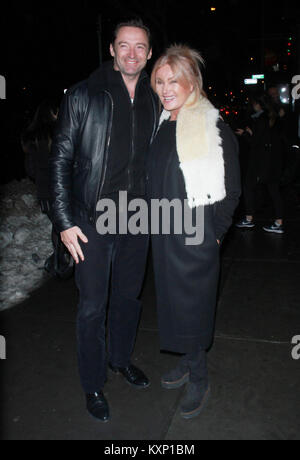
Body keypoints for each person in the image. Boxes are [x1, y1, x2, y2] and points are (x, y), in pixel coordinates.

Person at [50, 19, 159, 422]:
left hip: (138, 217)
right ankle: (93, 383)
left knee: (128, 299)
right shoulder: (84, 94)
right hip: (91, 221)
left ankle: (119, 359)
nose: (132, 53)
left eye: (140, 47)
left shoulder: (155, 97)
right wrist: (63, 221)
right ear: (112, 49)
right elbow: (59, 159)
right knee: (92, 307)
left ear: (149, 53)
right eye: (124, 45)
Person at [148, 45, 241, 419]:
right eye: (159, 81)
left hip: (195, 236)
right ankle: (187, 361)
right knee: (173, 306)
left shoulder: (211, 124)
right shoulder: (161, 123)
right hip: (164, 232)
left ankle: (199, 375)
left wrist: (214, 236)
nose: (166, 88)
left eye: (174, 80)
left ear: (192, 82)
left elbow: (232, 190)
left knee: (194, 309)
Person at [21, 99, 73, 279]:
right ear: (51, 114)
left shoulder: (31, 137)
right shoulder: (57, 132)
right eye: (56, 111)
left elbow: (30, 170)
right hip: (60, 189)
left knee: (57, 225)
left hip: (44, 191)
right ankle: (59, 263)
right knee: (61, 226)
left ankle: (59, 261)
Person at [236, 92, 286, 234]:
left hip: (261, 161)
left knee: (248, 186)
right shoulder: (274, 118)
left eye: (254, 104)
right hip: (274, 161)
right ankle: (278, 222)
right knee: (274, 191)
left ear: (258, 104)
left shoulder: (261, 120)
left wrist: (246, 134)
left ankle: (249, 218)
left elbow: (256, 142)